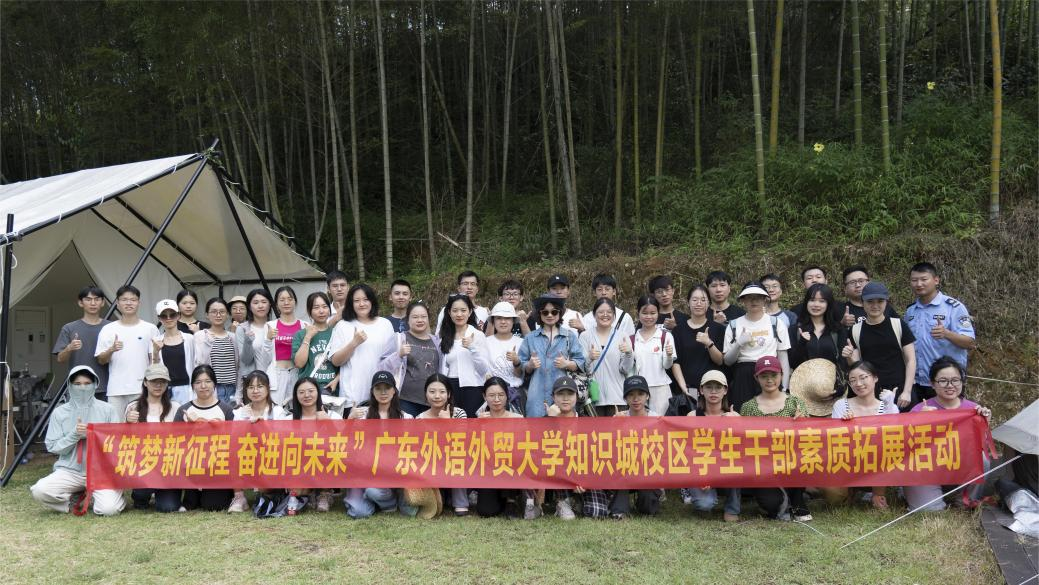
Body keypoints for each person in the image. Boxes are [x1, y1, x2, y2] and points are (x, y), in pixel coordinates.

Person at [29, 366, 125, 516]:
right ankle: (72, 501)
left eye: (87, 383)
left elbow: (118, 443)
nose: (83, 388)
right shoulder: (59, 413)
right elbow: (53, 447)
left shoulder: (108, 410)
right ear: (70, 385)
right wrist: (74, 435)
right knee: (39, 490)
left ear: (95, 384)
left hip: (101, 470)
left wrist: (95, 435)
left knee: (109, 509)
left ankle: (108, 496)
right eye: (77, 384)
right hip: (70, 470)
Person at [903, 357, 992, 511]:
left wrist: (985, 423)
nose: (950, 385)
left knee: (982, 458)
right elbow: (905, 446)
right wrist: (919, 422)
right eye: (943, 381)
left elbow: (979, 445)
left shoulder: (973, 409)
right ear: (932, 384)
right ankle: (922, 494)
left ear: (962, 382)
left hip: (957, 467)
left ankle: (964, 499)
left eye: (955, 380)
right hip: (926, 469)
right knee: (930, 510)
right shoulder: (920, 409)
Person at [817, 361, 897, 510]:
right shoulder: (841, 405)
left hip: (878, 465)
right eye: (853, 380)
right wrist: (845, 426)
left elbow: (894, 438)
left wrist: (890, 406)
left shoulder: (887, 406)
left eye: (863, 377)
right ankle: (850, 492)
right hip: (847, 462)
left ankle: (878, 494)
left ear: (875, 378)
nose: (858, 384)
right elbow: (835, 441)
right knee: (834, 498)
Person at [739, 356, 811, 521]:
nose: (769, 380)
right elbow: (743, 440)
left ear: (781, 375)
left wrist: (802, 423)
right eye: (764, 376)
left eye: (774, 375)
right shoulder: (748, 407)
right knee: (771, 504)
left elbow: (808, 437)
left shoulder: (795, 403)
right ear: (756, 378)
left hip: (791, 461)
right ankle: (782, 498)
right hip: (763, 466)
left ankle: (798, 500)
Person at [904, 262, 976, 406]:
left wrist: (947, 333)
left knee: (949, 419)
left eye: (924, 279)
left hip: (946, 383)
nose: (919, 284)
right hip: (918, 382)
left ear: (936, 280)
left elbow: (970, 342)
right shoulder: (911, 311)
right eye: (914, 280)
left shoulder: (953, 307)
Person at [345, 371, 415, 518]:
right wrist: (350, 420)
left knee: (375, 492)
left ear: (394, 391)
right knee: (358, 512)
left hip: (393, 472)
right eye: (378, 388)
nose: (383, 392)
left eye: (387, 388)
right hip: (365, 472)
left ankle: (389, 502)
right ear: (372, 391)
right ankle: (373, 501)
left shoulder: (406, 418)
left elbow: (412, 448)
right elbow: (346, 442)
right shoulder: (362, 415)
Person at [845, 281, 917, 409]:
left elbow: (911, 360)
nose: (875, 305)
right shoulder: (855, 330)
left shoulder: (898, 325)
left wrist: (907, 391)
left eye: (880, 301)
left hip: (900, 390)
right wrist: (849, 356)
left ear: (886, 302)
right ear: (862, 302)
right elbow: (856, 366)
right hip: (871, 393)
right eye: (870, 301)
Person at [722, 283, 792, 412]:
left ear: (765, 299)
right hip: (744, 374)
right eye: (749, 297)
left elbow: (783, 357)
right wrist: (739, 343)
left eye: (758, 297)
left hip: (770, 371)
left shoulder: (776, 323)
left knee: (772, 414)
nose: (754, 301)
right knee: (742, 414)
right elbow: (727, 361)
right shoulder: (734, 325)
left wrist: (784, 387)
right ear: (743, 300)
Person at [174, 365, 235, 511]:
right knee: (190, 503)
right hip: (192, 466)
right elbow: (175, 441)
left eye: (207, 381)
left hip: (217, 467)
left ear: (214, 384)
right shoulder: (184, 410)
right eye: (198, 382)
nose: (203, 386)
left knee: (213, 505)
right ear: (193, 386)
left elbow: (233, 441)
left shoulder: (226, 409)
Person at [329, 284, 396, 415]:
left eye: (365, 299)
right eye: (356, 300)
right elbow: (336, 361)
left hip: (382, 394)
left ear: (372, 301)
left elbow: (393, 360)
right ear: (350, 303)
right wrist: (354, 343)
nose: (361, 304)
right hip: (352, 396)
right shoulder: (343, 326)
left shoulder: (385, 324)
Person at [228, 370, 289, 513]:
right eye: (251, 387)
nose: (255, 391)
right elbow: (234, 438)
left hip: (271, 456)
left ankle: (267, 492)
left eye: (260, 386)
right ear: (246, 390)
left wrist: (264, 427)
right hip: (247, 455)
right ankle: (239, 497)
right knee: (232, 453)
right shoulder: (240, 412)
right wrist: (247, 426)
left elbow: (283, 440)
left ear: (268, 388)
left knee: (264, 488)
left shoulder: (277, 412)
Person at [683, 370, 741, 521]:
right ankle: (695, 492)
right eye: (709, 387)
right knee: (704, 505)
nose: (713, 391)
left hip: (726, 468)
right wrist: (700, 474)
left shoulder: (734, 416)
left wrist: (737, 424)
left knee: (737, 464)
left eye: (718, 387)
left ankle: (732, 508)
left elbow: (743, 450)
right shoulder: (692, 416)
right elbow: (687, 451)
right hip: (701, 467)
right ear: (701, 390)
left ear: (725, 390)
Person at [95, 285, 160, 416]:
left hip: (142, 388)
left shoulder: (150, 328)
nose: (129, 303)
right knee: (117, 426)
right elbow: (101, 360)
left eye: (133, 300)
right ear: (117, 303)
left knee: (142, 425)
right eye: (124, 300)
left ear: (139, 303)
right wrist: (111, 350)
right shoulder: (108, 329)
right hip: (116, 389)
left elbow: (155, 362)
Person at [126, 363, 183, 513]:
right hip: (143, 464)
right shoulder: (133, 407)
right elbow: (124, 440)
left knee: (168, 507)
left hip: (168, 466)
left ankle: (162, 492)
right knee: (141, 495)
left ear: (167, 384)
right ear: (145, 382)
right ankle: (141, 494)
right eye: (153, 381)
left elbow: (183, 437)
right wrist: (127, 423)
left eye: (162, 381)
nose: (158, 385)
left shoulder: (176, 407)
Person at [519, 294, 585, 418]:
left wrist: (567, 364)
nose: (550, 315)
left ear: (560, 313)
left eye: (554, 312)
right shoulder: (530, 338)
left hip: (564, 395)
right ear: (539, 314)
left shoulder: (569, 336)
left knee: (564, 428)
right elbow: (520, 365)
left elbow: (581, 361)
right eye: (545, 312)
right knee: (535, 428)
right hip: (536, 396)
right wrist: (529, 365)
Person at [284, 377, 340, 515]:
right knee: (297, 491)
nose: (307, 395)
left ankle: (325, 493)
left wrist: (328, 423)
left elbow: (344, 443)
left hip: (325, 463)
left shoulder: (333, 416)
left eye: (311, 391)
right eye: (301, 392)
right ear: (296, 396)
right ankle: (311, 493)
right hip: (300, 465)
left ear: (318, 393)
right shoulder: (289, 420)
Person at [609, 376, 662, 519]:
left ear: (647, 396)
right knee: (621, 470)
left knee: (648, 511)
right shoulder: (620, 418)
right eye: (631, 395)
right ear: (625, 398)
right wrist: (614, 426)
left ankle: (647, 500)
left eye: (640, 394)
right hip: (625, 468)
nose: (636, 399)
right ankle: (619, 510)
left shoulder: (657, 419)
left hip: (649, 469)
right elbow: (610, 449)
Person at [378, 301, 443, 417]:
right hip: (405, 400)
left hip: (432, 400)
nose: (420, 320)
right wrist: (399, 355)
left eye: (423, 317)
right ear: (407, 319)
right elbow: (382, 367)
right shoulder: (399, 339)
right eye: (415, 317)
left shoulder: (437, 342)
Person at [416, 374, 469, 516]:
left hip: (454, 459)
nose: (437, 396)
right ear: (426, 394)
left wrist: (448, 424)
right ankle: (437, 495)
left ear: (449, 394)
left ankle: (460, 502)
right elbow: (420, 448)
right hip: (430, 461)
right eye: (432, 392)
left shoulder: (459, 413)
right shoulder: (420, 418)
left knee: (458, 456)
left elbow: (462, 442)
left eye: (442, 392)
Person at [618, 295, 677, 416]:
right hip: (638, 390)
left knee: (660, 423)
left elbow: (667, 366)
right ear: (638, 313)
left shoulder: (665, 336)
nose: (649, 317)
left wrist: (669, 355)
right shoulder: (631, 339)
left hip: (660, 388)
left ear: (658, 313)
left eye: (653, 313)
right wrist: (629, 353)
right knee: (638, 424)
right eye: (645, 313)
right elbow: (625, 368)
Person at [534, 376, 582, 521]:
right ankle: (562, 501)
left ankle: (576, 501)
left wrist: (586, 479)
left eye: (570, 394)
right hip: (557, 469)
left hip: (581, 472)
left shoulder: (587, 420)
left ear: (577, 396)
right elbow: (541, 451)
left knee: (596, 511)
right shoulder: (545, 420)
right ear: (553, 397)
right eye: (560, 394)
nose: (565, 398)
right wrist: (552, 421)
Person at [436, 293, 491, 418]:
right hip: (450, 387)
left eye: (463, 310)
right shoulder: (444, 337)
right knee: (452, 424)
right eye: (455, 310)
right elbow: (442, 368)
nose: (459, 314)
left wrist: (472, 348)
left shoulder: (477, 335)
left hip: (473, 387)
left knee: (472, 424)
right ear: (449, 312)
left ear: (470, 312)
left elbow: (484, 369)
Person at [475, 377, 524, 518]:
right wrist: (478, 427)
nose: (496, 399)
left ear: (507, 396)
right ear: (484, 396)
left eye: (501, 395)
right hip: (488, 470)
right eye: (491, 395)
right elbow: (473, 449)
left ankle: (511, 500)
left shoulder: (517, 418)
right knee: (486, 511)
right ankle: (500, 499)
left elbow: (524, 447)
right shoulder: (480, 419)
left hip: (511, 468)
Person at [53, 285, 112, 399]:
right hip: (78, 387)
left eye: (97, 299)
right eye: (88, 299)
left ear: (103, 302)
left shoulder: (111, 327)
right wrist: (69, 348)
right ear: (80, 303)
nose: (93, 303)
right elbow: (60, 359)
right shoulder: (69, 328)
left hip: (107, 386)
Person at [670, 285, 726, 399]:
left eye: (703, 300)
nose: (698, 303)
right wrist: (683, 386)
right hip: (686, 388)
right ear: (688, 302)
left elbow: (720, 361)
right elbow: (675, 361)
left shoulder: (718, 328)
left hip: (711, 389)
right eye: (694, 300)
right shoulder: (678, 330)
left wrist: (709, 343)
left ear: (709, 303)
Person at [579, 298, 629, 416]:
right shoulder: (585, 336)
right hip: (593, 398)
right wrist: (589, 358)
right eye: (601, 312)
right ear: (594, 314)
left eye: (609, 312)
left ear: (614, 315)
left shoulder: (622, 336)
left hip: (618, 397)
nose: (605, 315)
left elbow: (625, 369)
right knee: (595, 428)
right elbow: (582, 369)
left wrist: (629, 353)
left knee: (618, 428)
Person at [787, 284, 848, 372]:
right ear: (806, 302)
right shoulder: (795, 330)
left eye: (822, 301)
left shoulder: (838, 330)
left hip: (832, 379)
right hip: (804, 379)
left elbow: (843, 364)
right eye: (812, 300)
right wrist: (802, 343)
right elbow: (792, 363)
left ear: (828, 304)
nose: (816, 305)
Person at [193, 298, 239, 404]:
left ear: (227, 315)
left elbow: (238, 364)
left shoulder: (233, 337)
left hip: (232, 387)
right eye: (214, 312)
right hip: (212, 388)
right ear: (207, 315)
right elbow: (199, 363)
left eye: (222, 312)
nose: (218, 315)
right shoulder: (200, 336)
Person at [268, 286, 309, 406]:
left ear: (295, 302)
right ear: (276, 304)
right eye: (282, 300)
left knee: (298, 409)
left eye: (290, 299)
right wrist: (267, 338)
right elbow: (265, 354)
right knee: (276, 410)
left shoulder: (305, 325)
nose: (286, 303)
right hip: (277, 375)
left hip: (297, 373)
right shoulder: (270, 325)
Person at [292, 292, 339, 395]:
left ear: (329, 309)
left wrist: (337, 380)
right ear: (309, 311)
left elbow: (345, 363)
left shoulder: (337, 333)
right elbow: (299, 363)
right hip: (308, 391)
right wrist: (308, 337)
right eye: (316, 307)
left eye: (325, 307)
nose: (321, 311)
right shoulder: (301, 334)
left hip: (331, 390)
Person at [151, 299, 195, 405]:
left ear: (178, 316)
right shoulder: (155, 341)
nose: (168, 318)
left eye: (172, 315)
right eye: (164, 316)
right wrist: (156, 352)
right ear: (159, 318)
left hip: (187, 388)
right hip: (165, 389)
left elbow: (198, 362)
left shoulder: (189, 338)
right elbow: (154, 369)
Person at [236, 288, 275, 400]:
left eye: (264, 302)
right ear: (249, 306)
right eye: (256, 302)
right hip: (252, 383)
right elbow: (245, 360)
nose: (260, 306)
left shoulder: (276, 326)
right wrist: (248, 342)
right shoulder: (243, 329)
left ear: (270, 304)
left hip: (276, 379)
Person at [482, 302, 525, 405]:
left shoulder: (521, 343)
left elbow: (520, 374)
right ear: (493, 321)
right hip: (492, 394)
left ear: (513, 321)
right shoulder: (485, 342)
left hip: (515, 394)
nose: (503, 322)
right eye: (499, 318)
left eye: (507, 318)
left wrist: (516, 361)